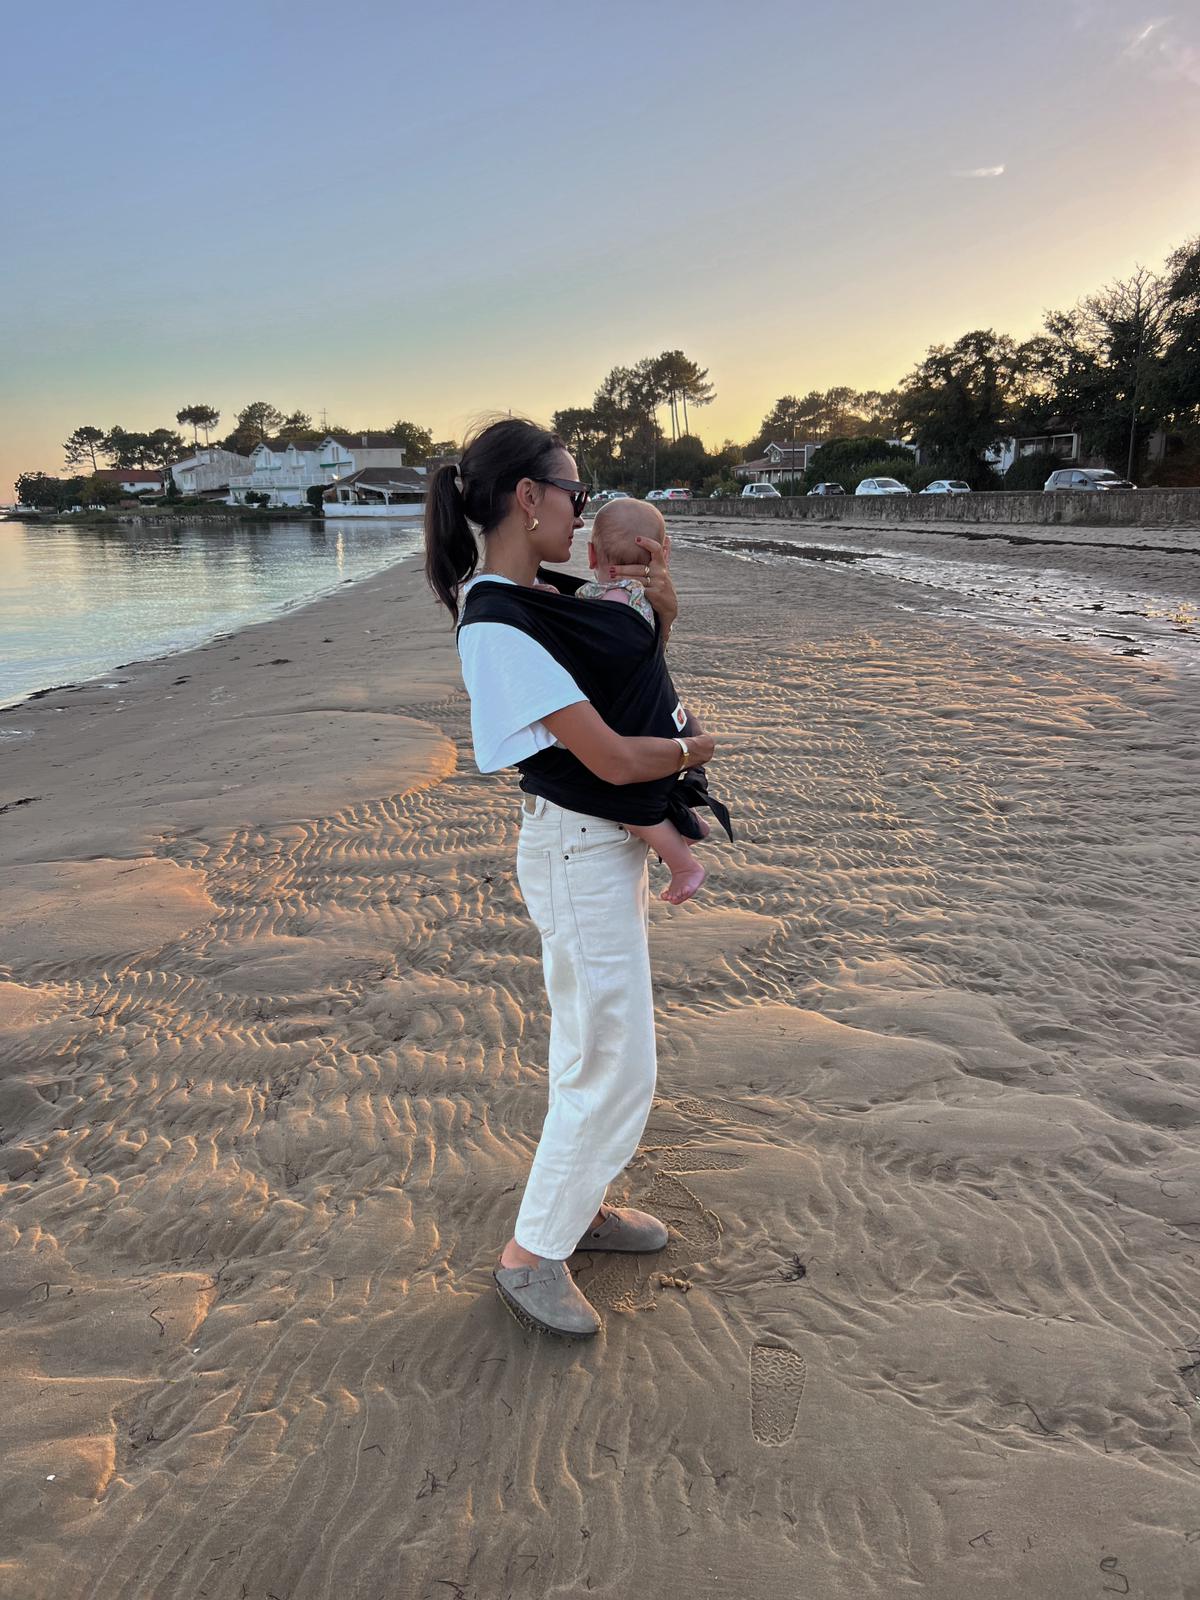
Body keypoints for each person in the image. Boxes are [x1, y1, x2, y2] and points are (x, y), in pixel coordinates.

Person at [424, 417, 718, 1340]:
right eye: (574, 493)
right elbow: (615, 757)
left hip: (600, 846)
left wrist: (663, 615)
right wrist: (695, 749)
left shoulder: (543, 597)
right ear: (529, 497)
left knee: (589, 1048)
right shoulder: (498, 622)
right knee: (616, 1062)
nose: (580, 513)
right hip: (576, 849)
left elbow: (630, 682)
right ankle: (531, 1257)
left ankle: (577, 1209)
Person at [577, 496, 714, 905]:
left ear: (591, 555)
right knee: (654, 781)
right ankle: (691, 823)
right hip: (671, 713)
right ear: (663, 553)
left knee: (627, 804)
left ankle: (684, 864)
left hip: (642, 719)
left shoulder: (601, 603)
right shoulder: (651, 600)